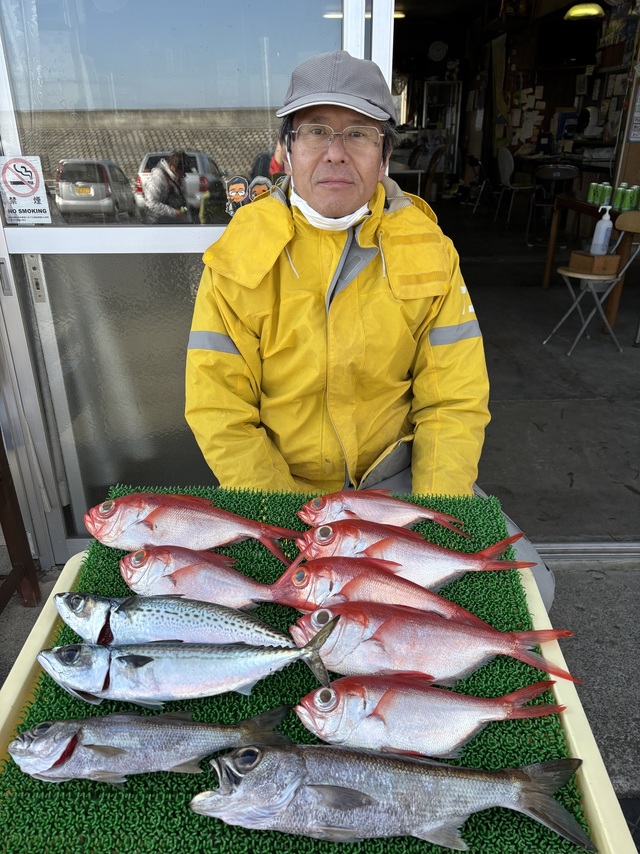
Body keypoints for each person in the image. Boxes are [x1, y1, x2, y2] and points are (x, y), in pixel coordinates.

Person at [185, 50, 490, 498]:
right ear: (286, 151)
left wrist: (432, 515)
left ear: (384, 155)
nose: (336, 153)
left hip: (397, 483)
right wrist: (285, 520)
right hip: (281, 486)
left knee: (532, 572)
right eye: (315, 131)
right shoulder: (238, 256)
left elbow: (454, 401)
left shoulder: (430, 250)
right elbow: (219, 408)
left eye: (360, 134)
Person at [144, 151, 192, 223]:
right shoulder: (158, 176)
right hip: (157, 223)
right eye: (180, 171)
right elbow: (151, 203)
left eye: (184, 173)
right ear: (172, 166)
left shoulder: (180, 178)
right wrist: (174, 212)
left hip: (175, 222)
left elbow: (185, 201)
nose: (182, 175)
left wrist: (188, 220)